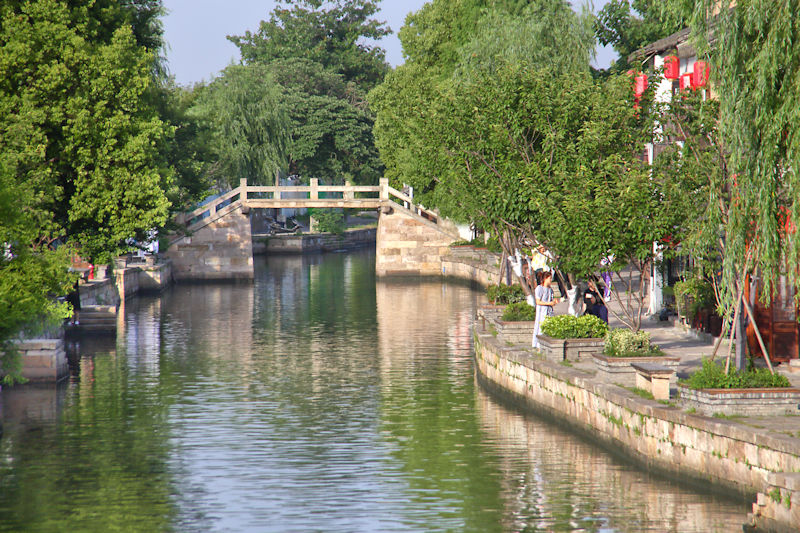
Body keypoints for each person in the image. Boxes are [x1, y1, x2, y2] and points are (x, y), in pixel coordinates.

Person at [532, 271, 559, 348]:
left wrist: (553, 302)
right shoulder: (539, 288)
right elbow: (538, 301)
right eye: (550, 278)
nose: (551, 280)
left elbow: (550, 299)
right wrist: (549, 303)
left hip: (549, 311)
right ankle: (537, 345)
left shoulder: (550, 290)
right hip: (542, 312)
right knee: (540, 327)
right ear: (545, 279)